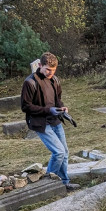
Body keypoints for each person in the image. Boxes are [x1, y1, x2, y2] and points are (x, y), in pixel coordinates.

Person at [20, 52, 79, 191]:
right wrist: (48, 110)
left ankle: (64, 183)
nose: (50, 73)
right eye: (47, 69)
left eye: (53, 70)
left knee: (65, 152)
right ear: (40, 65)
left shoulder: (55, 80)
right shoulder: (30, 82)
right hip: (40, 122)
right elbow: (25, 106)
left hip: (55, 120)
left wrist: (61, 107)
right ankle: (48, 185)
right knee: (58, 152)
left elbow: (57, 99)